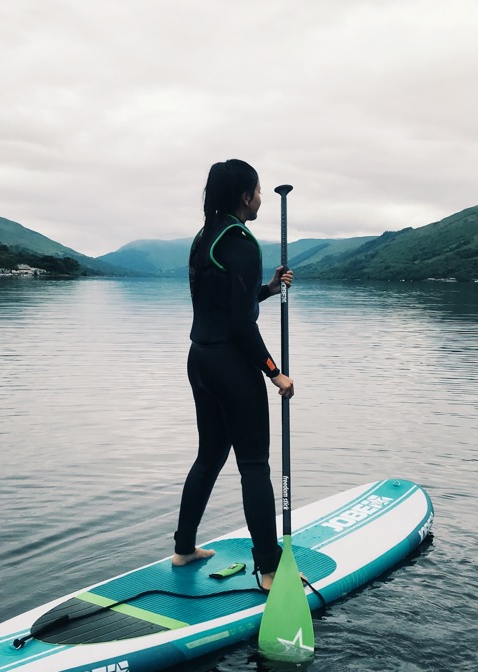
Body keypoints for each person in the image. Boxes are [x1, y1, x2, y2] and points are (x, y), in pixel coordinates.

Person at [172, 159, 294, 592]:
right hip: (231, 366)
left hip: (200, 360)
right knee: (255, 465)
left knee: (209, 456)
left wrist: (269, 287)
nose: (262, 197)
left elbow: (228, 304)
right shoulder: (241, 240)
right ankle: (271, 570)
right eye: (258, 191)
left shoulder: (205, 237)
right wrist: (274, 372)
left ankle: (184, 547)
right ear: (245, 197)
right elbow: (243, 325)